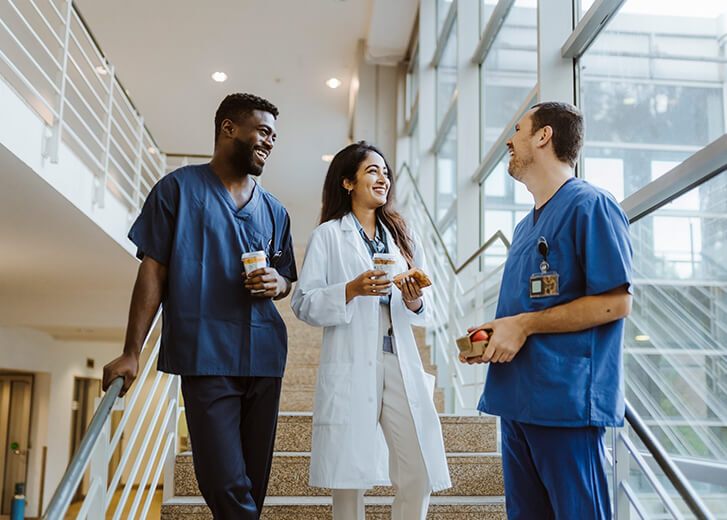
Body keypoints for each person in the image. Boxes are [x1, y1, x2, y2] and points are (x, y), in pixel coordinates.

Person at [102, 93, 297, 519]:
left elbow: (287, 279)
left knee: (252, 486)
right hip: (205, 355)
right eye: (263, 131)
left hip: (264, 357)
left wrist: (277, 282)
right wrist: (132, 351)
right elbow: (153, 272)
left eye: (275, 136)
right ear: (229, 128)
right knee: (225, 482)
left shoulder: (276, 211)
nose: (270, 142)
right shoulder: (177, 189)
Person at [463, 102, 633, 519]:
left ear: (543, 136)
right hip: (517, 401)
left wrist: (522, 325)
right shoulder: (525, 228)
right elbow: (532, 307)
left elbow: (616, 302)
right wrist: (494, 334)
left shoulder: (590, 205)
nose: (508, 138)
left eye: (517, 129)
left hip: (565, 404)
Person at [291, 141, 451, 520]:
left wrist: (413, 299)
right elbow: (303, 303)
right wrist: (351, 289)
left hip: (397, 357)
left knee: (420, 468)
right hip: (351, 359)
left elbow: (422, 308)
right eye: (372, 171)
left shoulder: (402, 236)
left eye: (386, 172)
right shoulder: (329, 235)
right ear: (348, 182)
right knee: (348, 480)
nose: (384, 178)